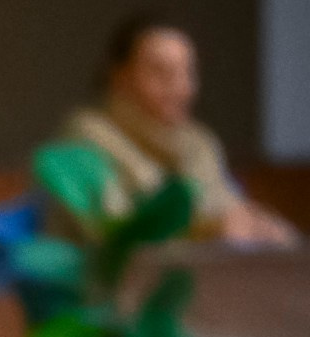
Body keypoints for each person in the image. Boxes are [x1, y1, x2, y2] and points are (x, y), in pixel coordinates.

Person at [55, 15, 297, 247]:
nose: (181, 88)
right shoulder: (85, 136)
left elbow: (226, 211)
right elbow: (112, 238)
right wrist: (207, 232)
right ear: (121, 77)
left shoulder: (199, 143)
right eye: (162, 73)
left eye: (187, 72)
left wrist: (262, 229)